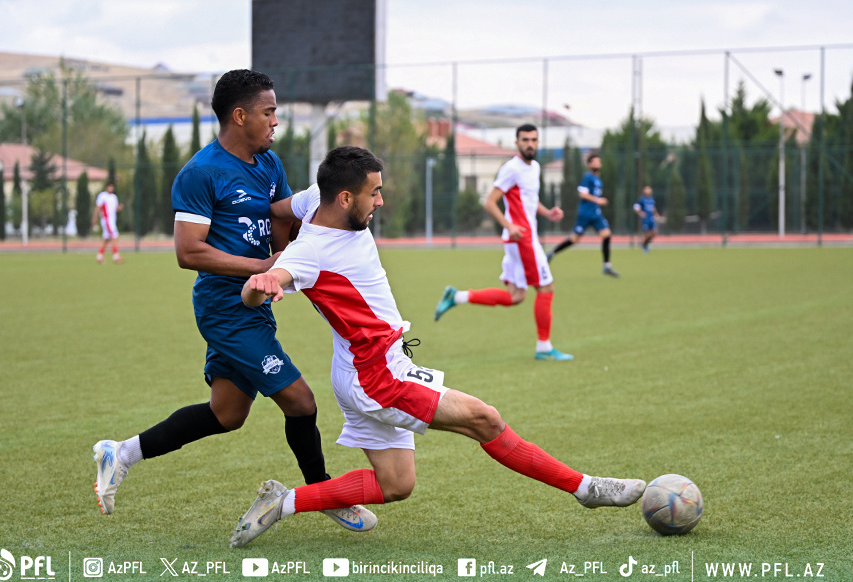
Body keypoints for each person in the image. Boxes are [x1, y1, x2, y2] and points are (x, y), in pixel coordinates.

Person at [229, 146, 645, 548]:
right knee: (484, 418)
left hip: (360, 368)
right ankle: (586, 488)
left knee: (396, 484)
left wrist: (276, 238)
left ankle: (283, 502)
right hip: (378, 377)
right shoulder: (310, 252)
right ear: (343, 198)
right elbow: (259, 287)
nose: (381, 200)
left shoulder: (314, 202)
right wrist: (265, 279)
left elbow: (279, 209)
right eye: (374, 193)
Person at [92, 70, 376, 534]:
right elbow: (189, 252)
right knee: (301, 402)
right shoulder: (202, 173)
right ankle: (324, 493)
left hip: (255, 303)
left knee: (226, 414)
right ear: (239, 115)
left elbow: (284, 222)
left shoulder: (269, 165)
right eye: (269, 113)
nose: (275, 122)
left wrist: (317, 238)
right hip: (225, 309)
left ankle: (120, 453)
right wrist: (262, 268)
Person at [433, 124, 573, 361]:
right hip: (521, 238)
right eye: (525, 139)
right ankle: (544, 348)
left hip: (521, 237)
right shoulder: (511, 169)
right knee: (546, 287)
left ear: (538, 143)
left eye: (534, 139)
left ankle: (457, 296)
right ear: (516, 143)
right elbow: (489, 202)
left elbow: (529, 200)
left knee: (516, 296)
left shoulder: (535, 167)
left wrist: (548, 213)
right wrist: (509, 226)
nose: (530, 144)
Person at [546, 153, 619, 278]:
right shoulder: (587, 177)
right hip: (585, 214)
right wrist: (598, 200)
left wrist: (598, 202)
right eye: (594, 161)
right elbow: (582, 194)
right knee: (574, 239)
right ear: (589, 164)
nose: (597, 163)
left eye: (598, 161)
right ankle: (551, 253)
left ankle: (606, 266)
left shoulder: (598, 179)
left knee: (606, 235)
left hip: (596, 214)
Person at [92, 182, 123, 263]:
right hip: (107, 220)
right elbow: (98, 207)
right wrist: (95, 218)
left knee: (106, 239)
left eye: (112, 187)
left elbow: (114, 209)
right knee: (115, 236)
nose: (111, 188)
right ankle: (116, 256)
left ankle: (99, 256)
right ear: (106, 187)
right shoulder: (103, 196)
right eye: (109, 187)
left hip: (112, 220)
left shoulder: (114, 197)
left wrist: (119, 208)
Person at [633, 186, 661, 253]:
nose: (648, 191)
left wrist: (656, 214)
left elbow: (653, 208)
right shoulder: (642, 199)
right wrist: (640, 213)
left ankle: (645, 243)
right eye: (646, 190)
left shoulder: (652, 199)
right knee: (647, 234)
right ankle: (645, 246)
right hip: (646, 219)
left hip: (651, 219)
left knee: (654, 233)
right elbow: (635, 207)